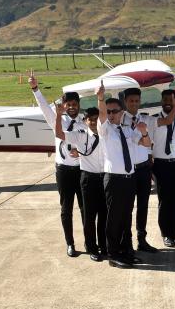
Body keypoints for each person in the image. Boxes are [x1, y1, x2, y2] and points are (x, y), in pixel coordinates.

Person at [30, 71, 85, 257]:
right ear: (63, 105)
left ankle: (90, 241)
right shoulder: (57, 119)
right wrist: (35, 89)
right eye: (68, 105)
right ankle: (70, 243)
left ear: (79, 106)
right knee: (66, 208)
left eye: (74, 105)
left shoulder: (85, 121)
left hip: (81, 169)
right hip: (63, 171)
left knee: (85, 207)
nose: (71, 107)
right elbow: (44, 107)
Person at [97, 92, 151, 268]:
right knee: (114, 218)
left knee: (126, 217)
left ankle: (126, 250)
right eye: (109, 111)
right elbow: (103, 115)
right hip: (114, 180)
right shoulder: (105, 130)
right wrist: (100, 99)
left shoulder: (127, 130)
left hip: (129, 178)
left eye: (115, 111)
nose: (111, 114)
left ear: (122, 112)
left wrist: (143, 132)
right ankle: (113, 254)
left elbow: (146, 144)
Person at [52, 104, 106, 263]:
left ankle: (104, 245)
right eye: (91, 120)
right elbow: (59, 133)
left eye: (97, 119)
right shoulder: (80, 135)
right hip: (88, 178)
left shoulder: (106, 134)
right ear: (85, 120)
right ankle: (92, 248)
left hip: (103, 178)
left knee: (104, 215)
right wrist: (58, 115)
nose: (94, 122)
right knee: (89, 216)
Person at [120, 87, 159, 253]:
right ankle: (126, 241)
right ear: (125, 102)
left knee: (143, 206)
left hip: (143, 169)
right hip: (128, 171)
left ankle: (141, 239)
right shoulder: (119, 120)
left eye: (137, 100)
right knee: (127, 208)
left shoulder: (145, 119)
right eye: (131, 101)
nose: (134, 104)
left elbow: (150, 140)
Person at [150, 89, 175, 247]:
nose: (167, 102)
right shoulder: (153, 120)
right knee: (165, 201)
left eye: (171, 100)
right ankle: (166, 234)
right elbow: (149, 146)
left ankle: (174, 232)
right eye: (165, 99)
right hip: (161, 164)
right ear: (161, 101)